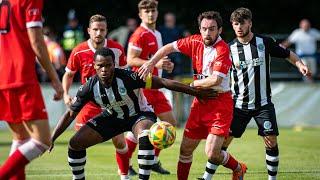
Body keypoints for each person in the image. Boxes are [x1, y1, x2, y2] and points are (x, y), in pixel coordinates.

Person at [50, 47, 216, 180]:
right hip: (113, 117)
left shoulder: (129, 77)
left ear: (114, 65)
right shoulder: (89, 87)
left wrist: (196, 92)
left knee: (145, 135)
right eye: (100, 65)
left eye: (108, 65)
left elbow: (164, 82)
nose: (104, 69)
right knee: (75, 143)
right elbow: (70, 114)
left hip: (139, 115)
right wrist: (52, 138)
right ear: (94, 66)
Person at [138, 10, 246, 180]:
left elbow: (215, 80)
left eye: (211, 29)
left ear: (219, 30)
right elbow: (168, 48)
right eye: (204, 28)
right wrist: (151, 63)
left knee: (211, 153)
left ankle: (238, 167)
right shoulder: (194, 40)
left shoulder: (223, 49)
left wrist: (192, 85)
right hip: (200, 103)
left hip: (220, 104)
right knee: (185, 150)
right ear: (199, 28)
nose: (207, 33)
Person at [222, 7, 311, 180]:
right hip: (239, 105)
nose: (239, 27)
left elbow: (287, 53)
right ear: (232, 26)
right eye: (235, 24)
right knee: (222, 143)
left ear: (250, 23)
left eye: (242, 22)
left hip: (263, 103)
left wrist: (300, 64)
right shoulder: (229, 49)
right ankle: (229, 170)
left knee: (270, 140)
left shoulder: (264, 42)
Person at [0, 0, 63, 179]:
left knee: (21, 139)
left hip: (3, 75)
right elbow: (37, 42)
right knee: (42, 142)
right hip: (20, 76)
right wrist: (54, 78)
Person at [62, 14, 131, 179]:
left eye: (102, 29)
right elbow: (68, 74)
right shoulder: (78, 51)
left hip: (112, 103)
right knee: (78, 143)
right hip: (88, 104)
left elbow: (125, 74)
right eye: (95, 29)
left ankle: (124, 176)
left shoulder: (116, 49)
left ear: (107, 31)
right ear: (88, 30)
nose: (98, 33)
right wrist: (65, 94)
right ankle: (78, 177)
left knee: (120, 142)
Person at [125, 0, 175, 175]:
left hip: (155, 86)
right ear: (140, 15)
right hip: (142, 87)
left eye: (153, 10)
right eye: (146, 11)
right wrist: (156, 62)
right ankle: (125, 165)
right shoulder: (138, 34)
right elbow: (130, 59)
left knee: (170, 123)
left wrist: (163, 66)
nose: (150, 14)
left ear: (157, 12)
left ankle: (152, 160)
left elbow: (154, 60)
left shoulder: (157, 33)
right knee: (143, 128)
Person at [158, 12, 186, 78]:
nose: (169, 21)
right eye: (168, 20)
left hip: (176, 55)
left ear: (174, 19)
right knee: (164, 76)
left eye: (171, 19)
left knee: (177, 76)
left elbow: (187, 37)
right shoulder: (160, 29)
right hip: (165, 55)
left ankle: (176, 87)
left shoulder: (179, 29)